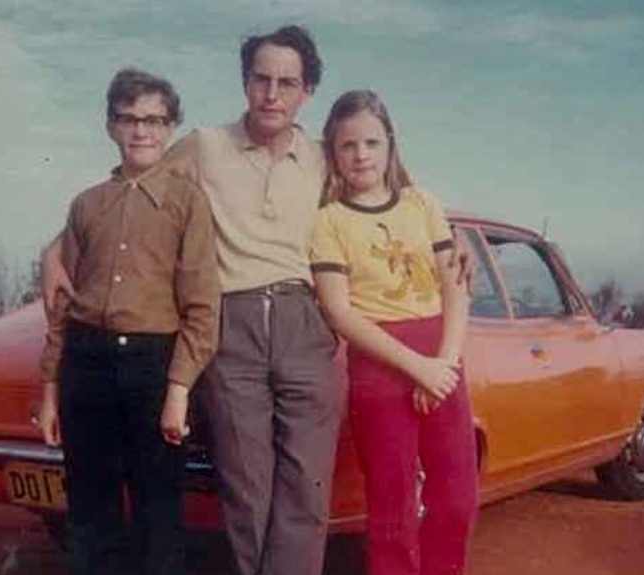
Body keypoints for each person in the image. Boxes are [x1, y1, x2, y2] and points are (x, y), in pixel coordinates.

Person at [41, 25, 474, 575]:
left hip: (306, 322)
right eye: (261, 79)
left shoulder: (324, 156)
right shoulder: (204, 145)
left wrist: (454, 239)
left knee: (304, 492)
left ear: (307, 92)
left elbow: (393, 196)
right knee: (247, 489)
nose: (273, 93)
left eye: (287, 83)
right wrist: (54, 252)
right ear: (245, 83)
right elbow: (129, 189)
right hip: (233, 323)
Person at [36, 68, 220, 575]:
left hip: (153, 366)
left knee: (158, 511)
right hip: (85, 362)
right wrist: (50, 388)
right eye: (129, 119)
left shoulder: (188, 203)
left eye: (154, 120)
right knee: (89, 512)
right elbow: (61, 305)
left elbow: (203, 307)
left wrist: (179, 389)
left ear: (170, 128)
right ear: (111, 127)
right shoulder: (86, 205)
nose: (141, 131)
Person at [308, 90, 478, 575]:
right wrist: (417, 368)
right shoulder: (328, 222)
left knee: (457, 499)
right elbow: (340, 313)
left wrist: (443, 363)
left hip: (441, 359)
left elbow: (455, 286)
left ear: (389, 146)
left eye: (371, 143)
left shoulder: (421, 203)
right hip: (379, 365)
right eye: (348, 146)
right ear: (333, 154)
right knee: (393, 510)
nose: (361, 155)